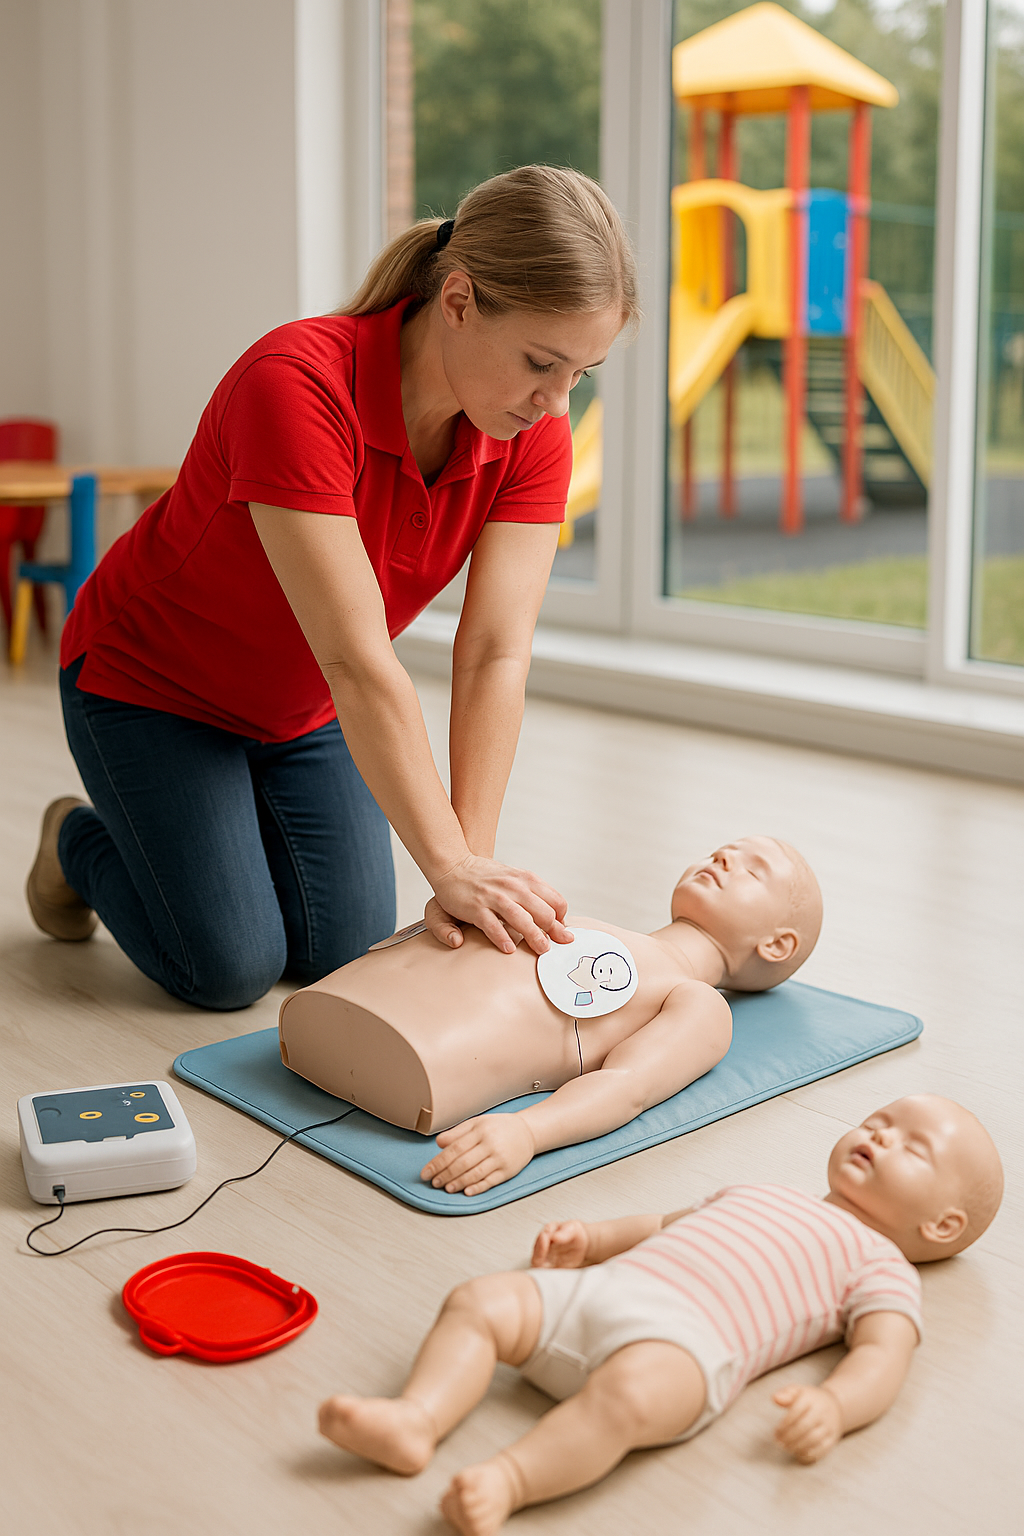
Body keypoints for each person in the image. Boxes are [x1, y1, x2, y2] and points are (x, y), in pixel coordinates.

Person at [24, 167, 637, 1010]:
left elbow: (494, 650)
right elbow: (356, 655)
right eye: (542, 362)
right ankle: (76, 843)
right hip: (151, 687)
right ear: (457, 301)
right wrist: (446, 864)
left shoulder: (533, 427)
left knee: (341, 953)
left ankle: (216, 840)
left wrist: (471, 870)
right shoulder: (297, 384)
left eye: (583, 372)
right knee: (231, 969)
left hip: (302, 708)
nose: (556, 400)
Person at [318, 1095, 1003, 1535]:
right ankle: (418, 1417)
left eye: (912, 1150)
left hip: (687, 1346)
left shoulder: (881, 1263)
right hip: (607, 1288)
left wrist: (836, 1406)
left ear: (943, 1226)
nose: (880, 1137)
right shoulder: (760, 1189)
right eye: (878, 1121)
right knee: (480, 1300)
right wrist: (592, 1240)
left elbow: (883, 1355)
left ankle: (510, 1481)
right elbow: (661, 1221)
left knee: (627, 1397)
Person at [278, 836, 822, 1194]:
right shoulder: (604, 927)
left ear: (777, 944)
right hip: (355, 1002)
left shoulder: (698, 1001)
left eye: (753, 871)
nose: (721, 858)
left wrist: (528, 1134)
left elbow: (628, 1085)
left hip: (419, 1056)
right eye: (721, 851)